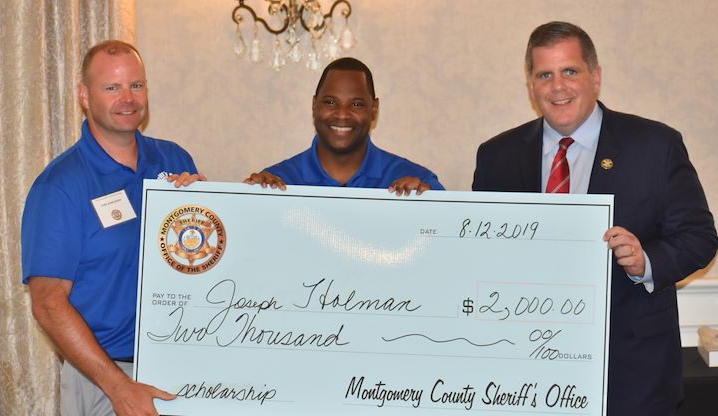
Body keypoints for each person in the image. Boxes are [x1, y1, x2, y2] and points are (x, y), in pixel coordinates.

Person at [472, 21, 718, 416]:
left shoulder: (655, 146)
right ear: (531, 86)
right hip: (525, 376)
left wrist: (646, 261)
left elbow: (701, 237)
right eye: (544, 75)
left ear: (596, 76)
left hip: (632, 377)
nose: (558, 87)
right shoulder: (496, 156)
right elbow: (479, 255)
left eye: (570, 71)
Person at [22, 40, 204, 416]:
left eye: (136, 85)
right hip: (105, 380)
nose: (128, 98)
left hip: (180, 369)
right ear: (84, 96)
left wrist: (209, 208)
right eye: (112, 87)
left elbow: (201, 264)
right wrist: (119, 388)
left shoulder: (174, 159)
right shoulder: (60, 186)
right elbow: (47, 303)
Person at [244, 57, 444, 194]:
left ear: (374, 109)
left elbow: (453, 244)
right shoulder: (276, 183)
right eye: (330, 102)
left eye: (356, 104)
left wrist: (430, 206)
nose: (341, 114)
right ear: (314, 105)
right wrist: (250, 198)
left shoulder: (418, 182)